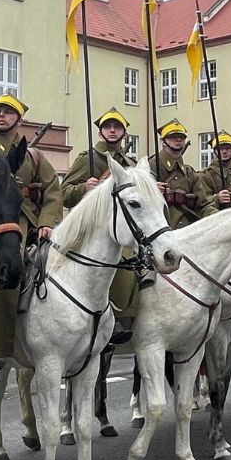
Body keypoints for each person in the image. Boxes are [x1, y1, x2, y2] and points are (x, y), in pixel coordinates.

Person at [0, 94, 62, 362]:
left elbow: (53, 190)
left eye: (8, 112)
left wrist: (47, 220)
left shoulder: (33, 156)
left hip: (27, 220)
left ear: (19, 119)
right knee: (6, 265)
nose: (1, 116)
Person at [61, 107, 140, 344]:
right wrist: (84, 188)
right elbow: (64, 192)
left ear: (124, 133)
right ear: (100, 132)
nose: (112, 131)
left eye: (117, 127)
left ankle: (131, 317)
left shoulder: (130, 164)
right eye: (108, 127)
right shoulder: (88, 159)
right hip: (92, 226)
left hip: (121, 225)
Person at [149, 120, 202, 228]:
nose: (178, 140)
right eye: (173, 137)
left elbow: (203, 204)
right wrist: (151, 191)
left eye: (182, 137)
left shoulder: (189, 172)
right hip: (160, 231)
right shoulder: (150, 166)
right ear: (163, 141)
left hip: (188, 231)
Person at [196, 132, 231, 216]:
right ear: (214, 152)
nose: (224, 151)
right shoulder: (205, 176)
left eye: (228, 148)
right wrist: (216, 198)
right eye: (220, 149)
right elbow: (199, 202)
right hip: (215, 221)